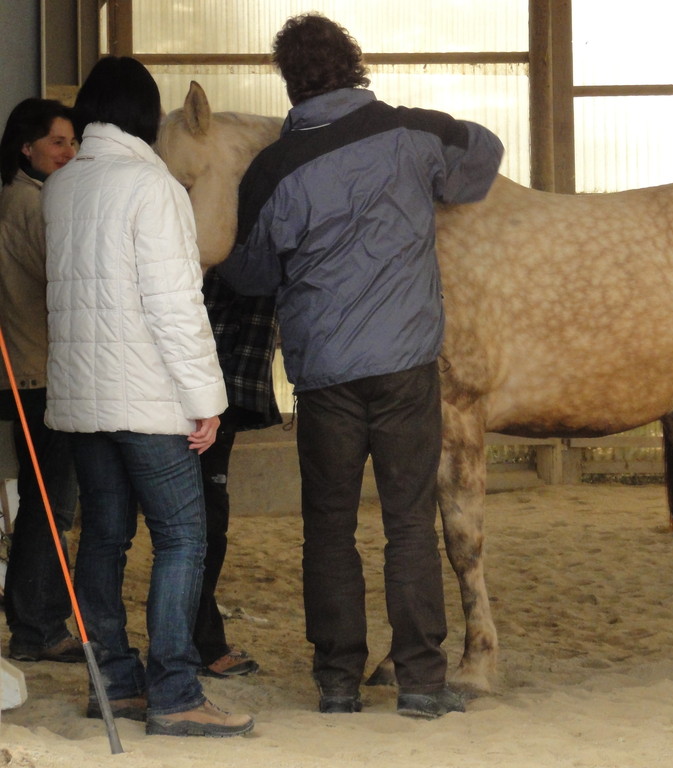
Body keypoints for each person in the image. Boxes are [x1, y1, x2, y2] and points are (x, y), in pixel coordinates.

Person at [217, 13, 504, 719]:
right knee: (408, 522)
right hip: (405, 365)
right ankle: (422, 682)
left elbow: (247, 273)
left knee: (328, 527)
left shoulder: (273, 169)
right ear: (354, 65)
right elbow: (484, 155)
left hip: (323, 376)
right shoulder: (411, 131)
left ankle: (338, 682)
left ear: (290, 82)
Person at [42, 56, 253, 737]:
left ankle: (115, 684)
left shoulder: (62, 187)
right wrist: (206, 397)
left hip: (82, 398)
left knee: (104, 537)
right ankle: (175, 692)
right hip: (147, 398)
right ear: (145, 115)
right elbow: (174, 305)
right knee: (183, 537)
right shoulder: (153, 186)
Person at [0, 99, 82, 664]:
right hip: (39, 371)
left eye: (72, 142)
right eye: (57, 142)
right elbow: (63, 279)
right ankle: (38, 626)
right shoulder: (30, 203)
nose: (68, 152)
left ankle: (37, 622)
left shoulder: (19, 196)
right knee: (51, 503)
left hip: (29, 368)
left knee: (43, 499)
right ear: (26, 146)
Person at [193, 269, 280, 678]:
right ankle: (202, 645)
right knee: (202, 530)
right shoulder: (237, 259)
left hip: (207, 395)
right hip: (205, 397)